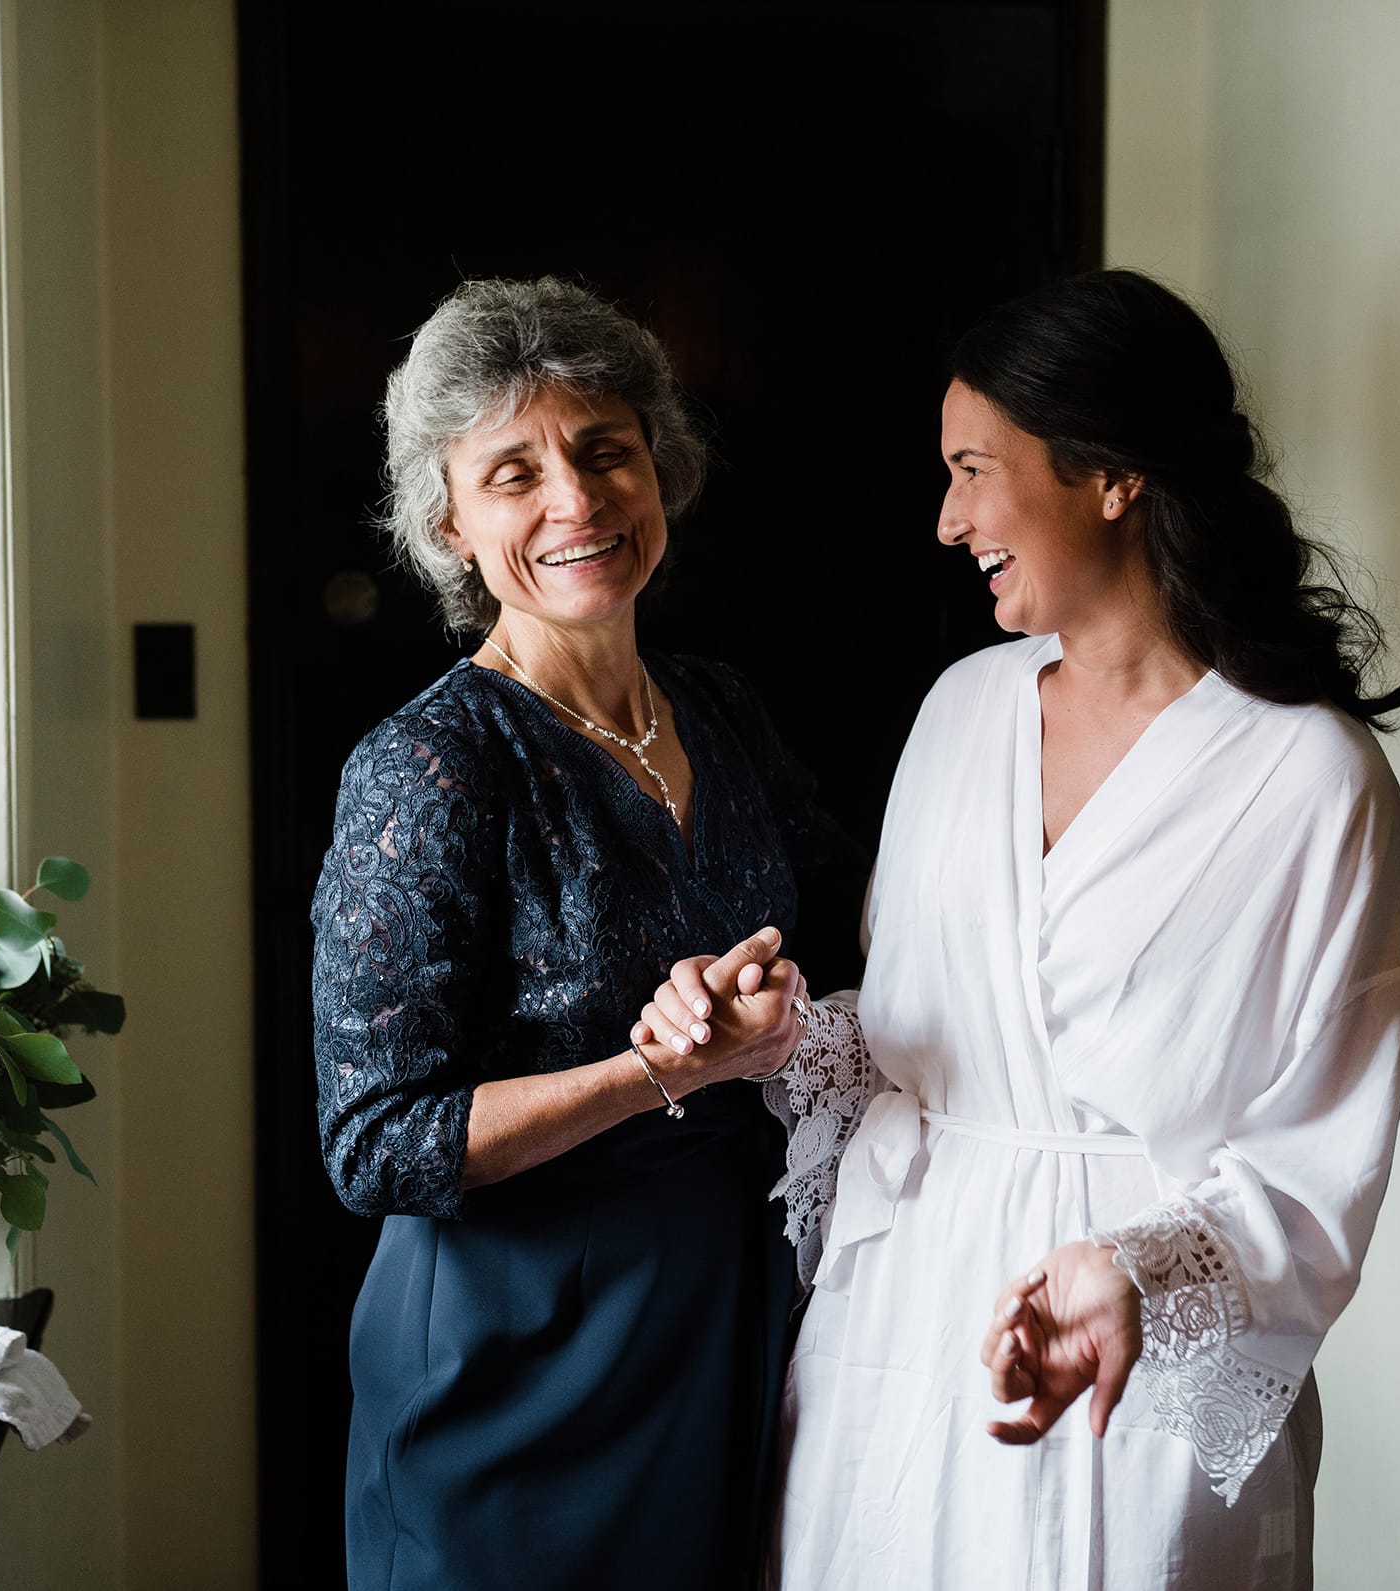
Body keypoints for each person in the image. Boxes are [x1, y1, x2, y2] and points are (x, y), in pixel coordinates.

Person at [635, 269, 1400, 1587]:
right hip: (904, 1310)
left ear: (1110, 474)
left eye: (972, 470)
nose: (947, 522)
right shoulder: (962, 711)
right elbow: (916, 1033)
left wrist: (1137, 1272)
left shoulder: (1310, 780)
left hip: (1132, 1353)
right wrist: (771, 1035)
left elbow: (1315, 1152)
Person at [310, 277, 859, 1588]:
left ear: (658, 468)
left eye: (604, 449)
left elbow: (852, 956)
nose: (575, 499)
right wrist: (657, 1068)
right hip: (510, 1360)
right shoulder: (430, 766)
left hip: (724, 1314)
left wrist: (761, 1006)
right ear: (448, 521)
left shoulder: (722, 714)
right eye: (514, 472)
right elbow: (375, 1148)